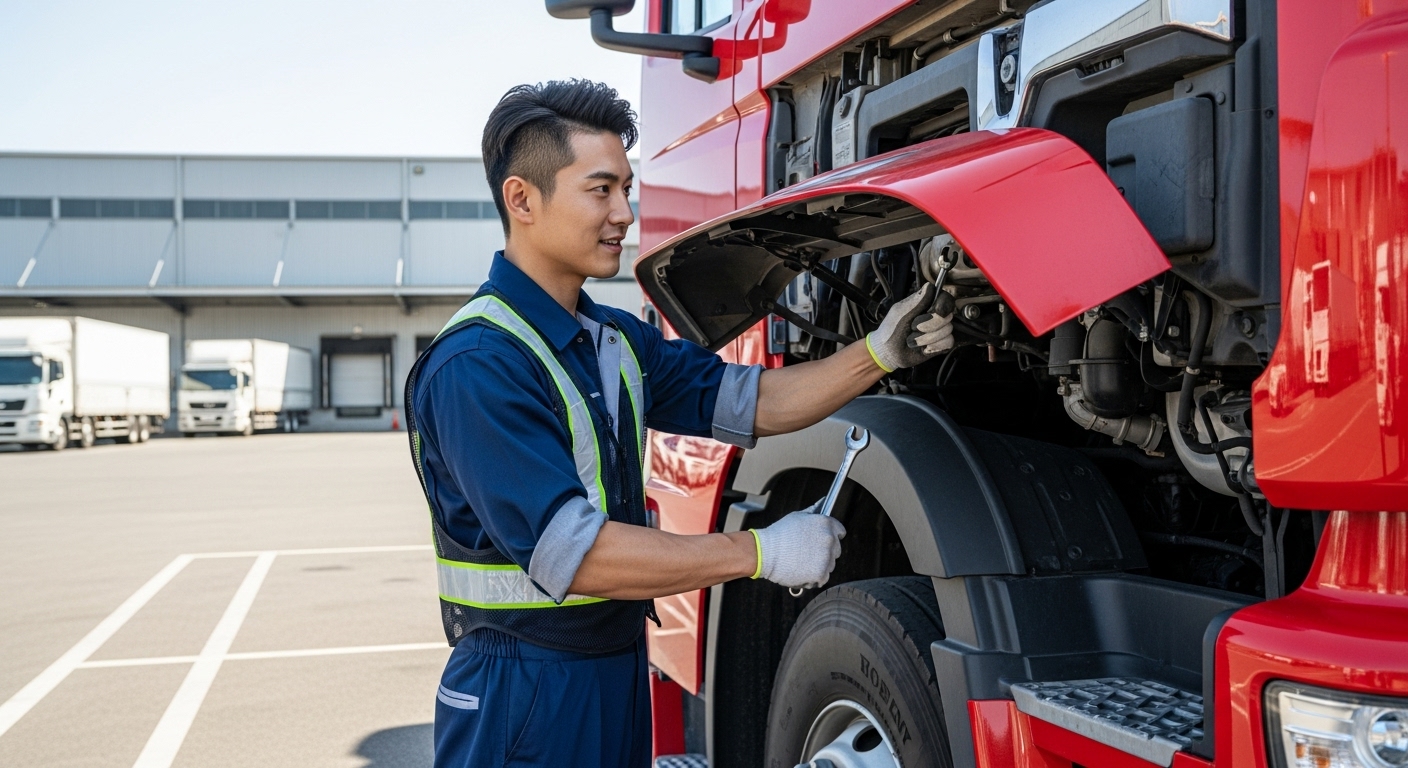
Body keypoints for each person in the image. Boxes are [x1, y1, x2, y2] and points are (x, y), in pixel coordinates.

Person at [405, 79, 954, 768]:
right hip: (524, 692)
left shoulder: (610, 341)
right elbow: (579, 556)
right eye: (600, 190)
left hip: (610, 667)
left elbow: (752, 401)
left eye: (627, 190)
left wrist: (877, 353)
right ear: (523, 199)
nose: (624, 214)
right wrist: (761, 553)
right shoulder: (480, 364)